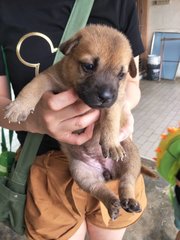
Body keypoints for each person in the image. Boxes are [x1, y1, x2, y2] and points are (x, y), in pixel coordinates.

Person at [0, 0, 147, 239]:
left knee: (128, 170)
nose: (106, 91)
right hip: (47, 168)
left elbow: (129, 83)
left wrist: (122, 108)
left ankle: (122, 192)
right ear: (70, 50)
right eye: (89, 66)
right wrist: (32, 119)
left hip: (112, 155)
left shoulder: (120, 4)